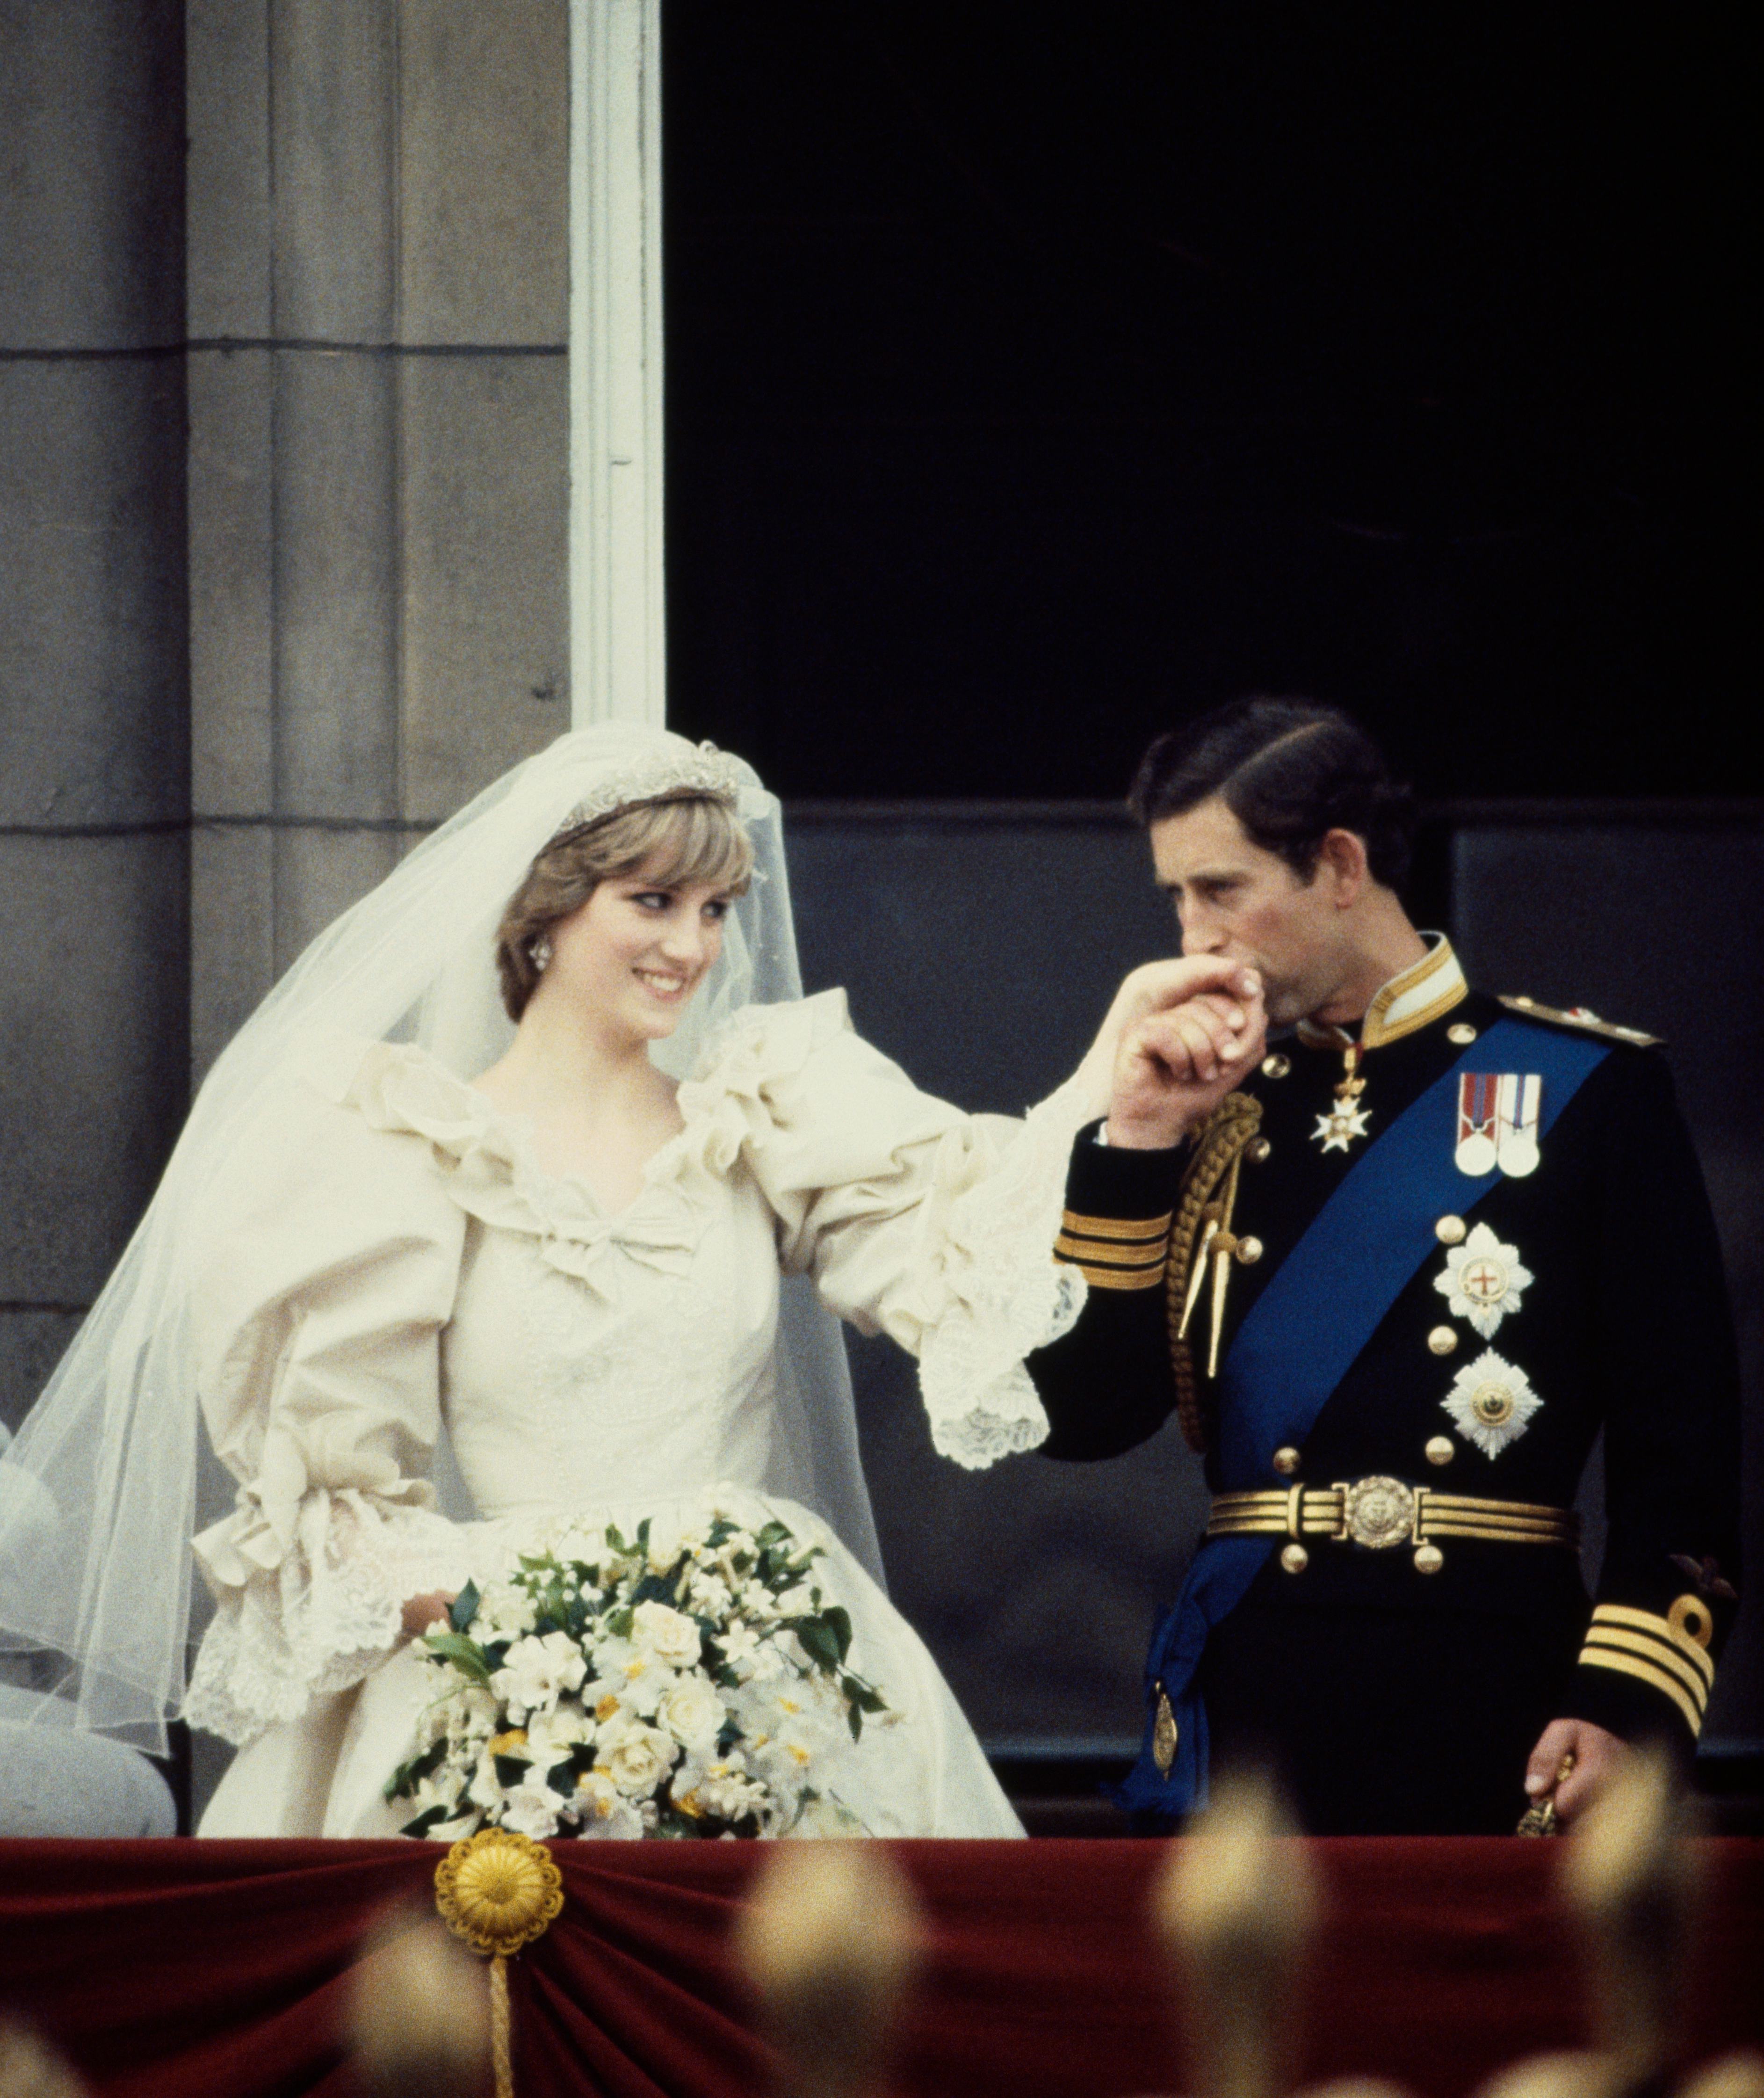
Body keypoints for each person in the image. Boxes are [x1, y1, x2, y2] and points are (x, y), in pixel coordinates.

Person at [0, 725, 1182, 1839]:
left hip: (770, 1669)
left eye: (714, 908)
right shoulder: (403, 1148)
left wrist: (1108, 1088)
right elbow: (334, 1500)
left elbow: (971, 1242)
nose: (693, 947)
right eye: (652, 900)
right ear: (544, 913)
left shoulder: (764, 1116)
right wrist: (544, 1651)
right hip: (495, 1681)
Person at [1029, 698, 1742, 1836]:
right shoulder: (1208, 1105)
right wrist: (1136, 1138)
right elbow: (1078, 1416)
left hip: (1494, 1689)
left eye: (1219, 889)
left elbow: (1682, 1454)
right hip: (1252, 1694)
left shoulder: (1587, 1087)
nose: (1192, 936)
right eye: (1175, 896)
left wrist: (1627, 1698)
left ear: (1338, 865)